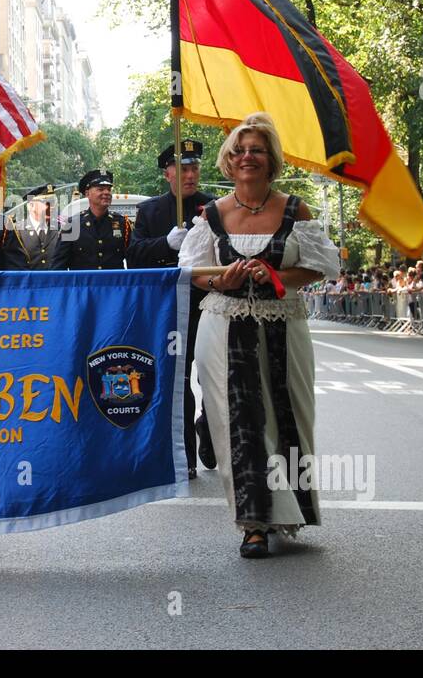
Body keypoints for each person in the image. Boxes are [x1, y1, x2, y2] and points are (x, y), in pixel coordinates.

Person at [177, 113, 340, 558]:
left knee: (288, 415)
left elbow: (320, 267)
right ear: (228, 161)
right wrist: (220, 281)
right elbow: (192, 273)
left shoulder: (294, 209)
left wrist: (276, 275)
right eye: (240, 150)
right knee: (238, 420)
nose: (247, 156)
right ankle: (253, 523)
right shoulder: (211, 215)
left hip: (283, 324)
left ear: (271, 161)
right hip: (223, 323)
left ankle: (290, 508)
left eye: (257, 150)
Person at [127, 139, 217, 477]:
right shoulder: (149, 211)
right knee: (178, 381)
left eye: (194, 168)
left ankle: (208, 427)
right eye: (182, 169)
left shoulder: (215, 206)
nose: (190, 174)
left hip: (207, 303)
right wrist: (165, 243)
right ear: (168, 174)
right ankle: (186, 458)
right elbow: (133, 255)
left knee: (212, 375)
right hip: (169, 307)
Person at [49, 170, 131, 270]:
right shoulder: (72, 224)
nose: (106, 193)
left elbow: (133, 260)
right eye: (100, 189)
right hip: (82, 285)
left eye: (109, 189)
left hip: (114, 285)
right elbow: (58, 265)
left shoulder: (122, 223)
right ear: (87, 193)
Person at [0, 184, 62, 271]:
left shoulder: (61, 230)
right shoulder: (16, 231)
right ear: (31, 206)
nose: (52, 206)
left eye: (53, 202)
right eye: (46, 203)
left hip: (55, 283)